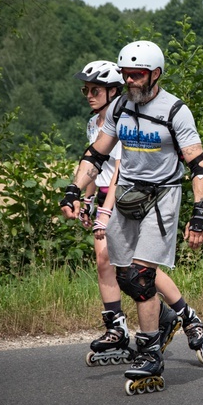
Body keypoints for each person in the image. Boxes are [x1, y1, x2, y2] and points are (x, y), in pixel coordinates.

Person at [60, 40, 203, 394]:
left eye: (138, 75)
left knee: (142, 276)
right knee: (125, 274)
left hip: (162, 196)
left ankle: (149, 351)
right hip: (128, 195)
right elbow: (95, 155)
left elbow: (199, 165)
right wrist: (73, 189)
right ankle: (169, 320)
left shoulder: (175, 110)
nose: (131, 82)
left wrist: (200, 212)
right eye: (127, 75)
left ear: (155, 74)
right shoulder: (119, 109)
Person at [73, 60, 132, 365]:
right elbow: (95, 166)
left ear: (113, 90)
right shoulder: (92, 123)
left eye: (94, 89)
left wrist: (105, 211)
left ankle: (181, 314)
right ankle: (117, 329)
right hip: (104, 194)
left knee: (133, 267)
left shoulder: (122, 121)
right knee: (104, 260)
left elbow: (120, 170)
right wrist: (86, 200)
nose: (88, 94)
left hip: (124, 195)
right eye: (85, 89)